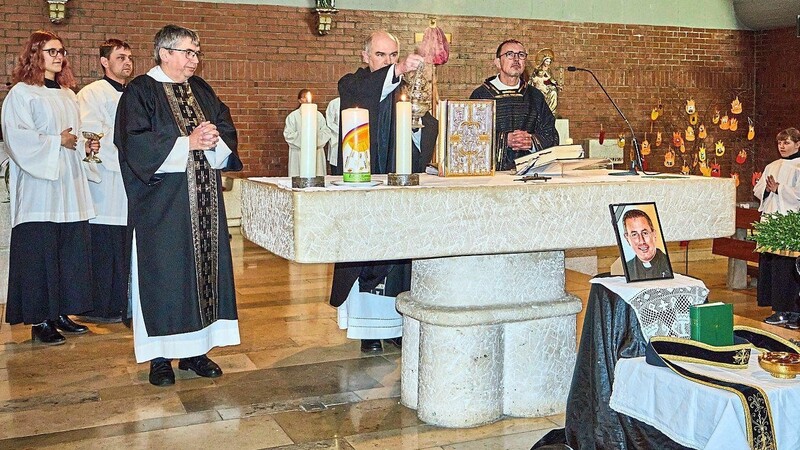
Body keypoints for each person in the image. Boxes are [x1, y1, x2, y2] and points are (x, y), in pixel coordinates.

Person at [115, 24, 242, 386]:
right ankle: (158, 358)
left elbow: (223, 125)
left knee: (201, 274)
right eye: (188, 52)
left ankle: (194, 352)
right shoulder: (140, 92)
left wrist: (215, 140)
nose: (194, 60)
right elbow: (133, 142)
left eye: (197, 53)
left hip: (204, 204)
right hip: (162, 207)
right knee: (164, 277)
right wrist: (187, 142)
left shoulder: (200, 89)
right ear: (165, 53)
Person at [330, 31, 437, 353]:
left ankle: (395, 326)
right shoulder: (352, 84)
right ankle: (368, 332)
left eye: (393, 55)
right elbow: (367, 94)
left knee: (399, 258)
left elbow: (424, 127)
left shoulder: (402, 93)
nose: (388, 62)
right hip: (365, 185)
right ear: (365, 56)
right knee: (369, 254)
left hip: (398, 188)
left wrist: (418, 129)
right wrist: (401, 69)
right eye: (381, 55)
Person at [1, 30, 95, 345]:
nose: (58, 56)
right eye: (51, 51)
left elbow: (76, 136)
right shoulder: (22, 93)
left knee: (67, 251)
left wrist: (86, 147)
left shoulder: (68, 94)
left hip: (68, 185)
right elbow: (17, 139)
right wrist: (58, 141)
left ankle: (61, 312)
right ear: (34, 55)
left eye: (60, 51)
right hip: (40, 187)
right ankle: (40, 319)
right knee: (40, 252)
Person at [76, 38, 133, 324]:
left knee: (126, 244)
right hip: (106, 180)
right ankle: (99, 307)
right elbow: (90, 134)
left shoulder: (136, 93)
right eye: (120, 57)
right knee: (104, 244)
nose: (127, 62)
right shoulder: (92, 93)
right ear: (104, 61)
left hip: (131, 179)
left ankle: (126, 304)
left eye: (129, 57)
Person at [470, 39, 559, 171]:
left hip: (529, 173)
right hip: (490, 174)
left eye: (521, 55)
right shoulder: (481, 96)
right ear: (497, 62)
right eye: (510, 54)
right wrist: (504, 139)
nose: (516, 59)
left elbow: (551, 134)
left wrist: (532, 141)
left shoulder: (535, 96)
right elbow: (469, 137)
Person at [754, 127, 800, 328]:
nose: (782, 146)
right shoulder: (772, 166)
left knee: (791, 269)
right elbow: (758, 190)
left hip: (791, 223)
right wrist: (766, 188)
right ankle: (780, 310)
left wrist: (780, 189)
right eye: (780, 143)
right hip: (772, 222)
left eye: (787, 142)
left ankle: (796, 313)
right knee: (774, 269)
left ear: (798, 144)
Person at [283, 88, 331, 177]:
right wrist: (306, 139)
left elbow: (326, 131)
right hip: (299, 153)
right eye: (304, 97)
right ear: (299, 100)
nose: (307, 100)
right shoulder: (293, 116)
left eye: (308, 97)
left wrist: (314, 141)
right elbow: (288, 134)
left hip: (316, 152)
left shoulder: (318, 115)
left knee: (317, 175)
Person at [621, 209, 672, 280]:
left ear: (654, 234)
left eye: (645, 233)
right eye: (634, 235)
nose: (641, 241)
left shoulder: (669, 264)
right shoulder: (625, 269)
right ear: (627, 239)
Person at [530, 49, 560, 114]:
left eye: (549, 62)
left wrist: (556, 85)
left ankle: (551, 112)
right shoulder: (537, 69)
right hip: (538, 87)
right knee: (539, 94)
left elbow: (552, 79)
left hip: (548, 87)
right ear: (543, 61)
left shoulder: (549, 70)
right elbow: (533, 79)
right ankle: (541, 112)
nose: (548, 63)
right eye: (547, 61)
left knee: (554, 93)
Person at [325, 97, 340, 173]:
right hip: (336, 138)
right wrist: (341, 131)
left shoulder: (358, 100)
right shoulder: (334, 103)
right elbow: (329, 122)